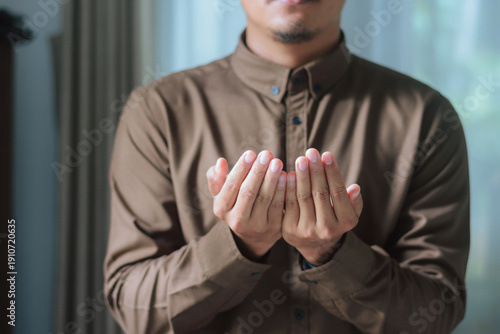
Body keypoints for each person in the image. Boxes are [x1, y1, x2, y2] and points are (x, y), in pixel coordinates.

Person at [104, 0, 470, 333]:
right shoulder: (157, 113)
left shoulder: (426, 119)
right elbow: (133, 308)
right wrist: (236, 246)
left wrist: (333, 254)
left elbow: (438, 312)